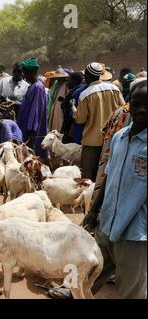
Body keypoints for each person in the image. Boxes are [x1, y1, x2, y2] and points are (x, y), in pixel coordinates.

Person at [52, 78, 147, 300]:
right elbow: (109, 176)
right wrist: (94, 209)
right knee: (86, 268)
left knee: (132, 290)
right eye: (136, 104)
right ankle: (70, 291)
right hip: (107, 222)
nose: (142, 109)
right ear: (128, 105)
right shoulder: (119, 137)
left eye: (147, 105)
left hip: (135, 233)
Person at [72, 62, 125, 181]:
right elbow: (124, 110)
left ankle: (89, 199)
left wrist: (73, 109)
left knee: (88, 177)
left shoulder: (85, 94)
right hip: (112, 139)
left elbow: (80, 119)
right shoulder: (114, 89)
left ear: (88, 75)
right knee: (108, 175)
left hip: (92, 142)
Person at [16, 57, 48, 159]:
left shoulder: (38, 87)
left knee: (34, 158)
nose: (23, 76)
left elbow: (36, 111)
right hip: (26, 128)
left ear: (33, 72)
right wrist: (17, 105)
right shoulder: (32, 86)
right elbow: (27, 105)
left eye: (25, 73)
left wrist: (31, 130)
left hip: (33, 132)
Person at [60, 72, 84, 144]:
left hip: (71, 126)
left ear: (74, 81)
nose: (67, 83)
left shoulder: (75, 92)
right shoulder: (81, 89)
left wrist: (64, 103)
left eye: (68, 80)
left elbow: (69, 111)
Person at [47, 67, 69, 132]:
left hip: (61, 111)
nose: (58, 79)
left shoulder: (66, 85)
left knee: (59, 128)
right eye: (57, 77)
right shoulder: (56, 85)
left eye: (59, 77)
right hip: (55, 110)